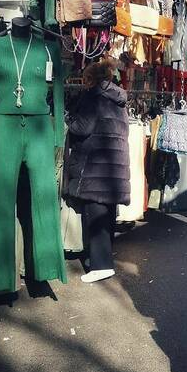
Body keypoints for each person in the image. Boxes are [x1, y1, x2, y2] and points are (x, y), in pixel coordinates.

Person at [64, 60, 131, 283]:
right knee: (107, 212)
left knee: (96, 213)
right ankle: (104, 260)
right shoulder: (118, 98)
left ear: (91, 78)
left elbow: (82, 127)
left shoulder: (93, 96)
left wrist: (68, 120)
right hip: (113, 163)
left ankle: (102, 265)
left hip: (95, 163)